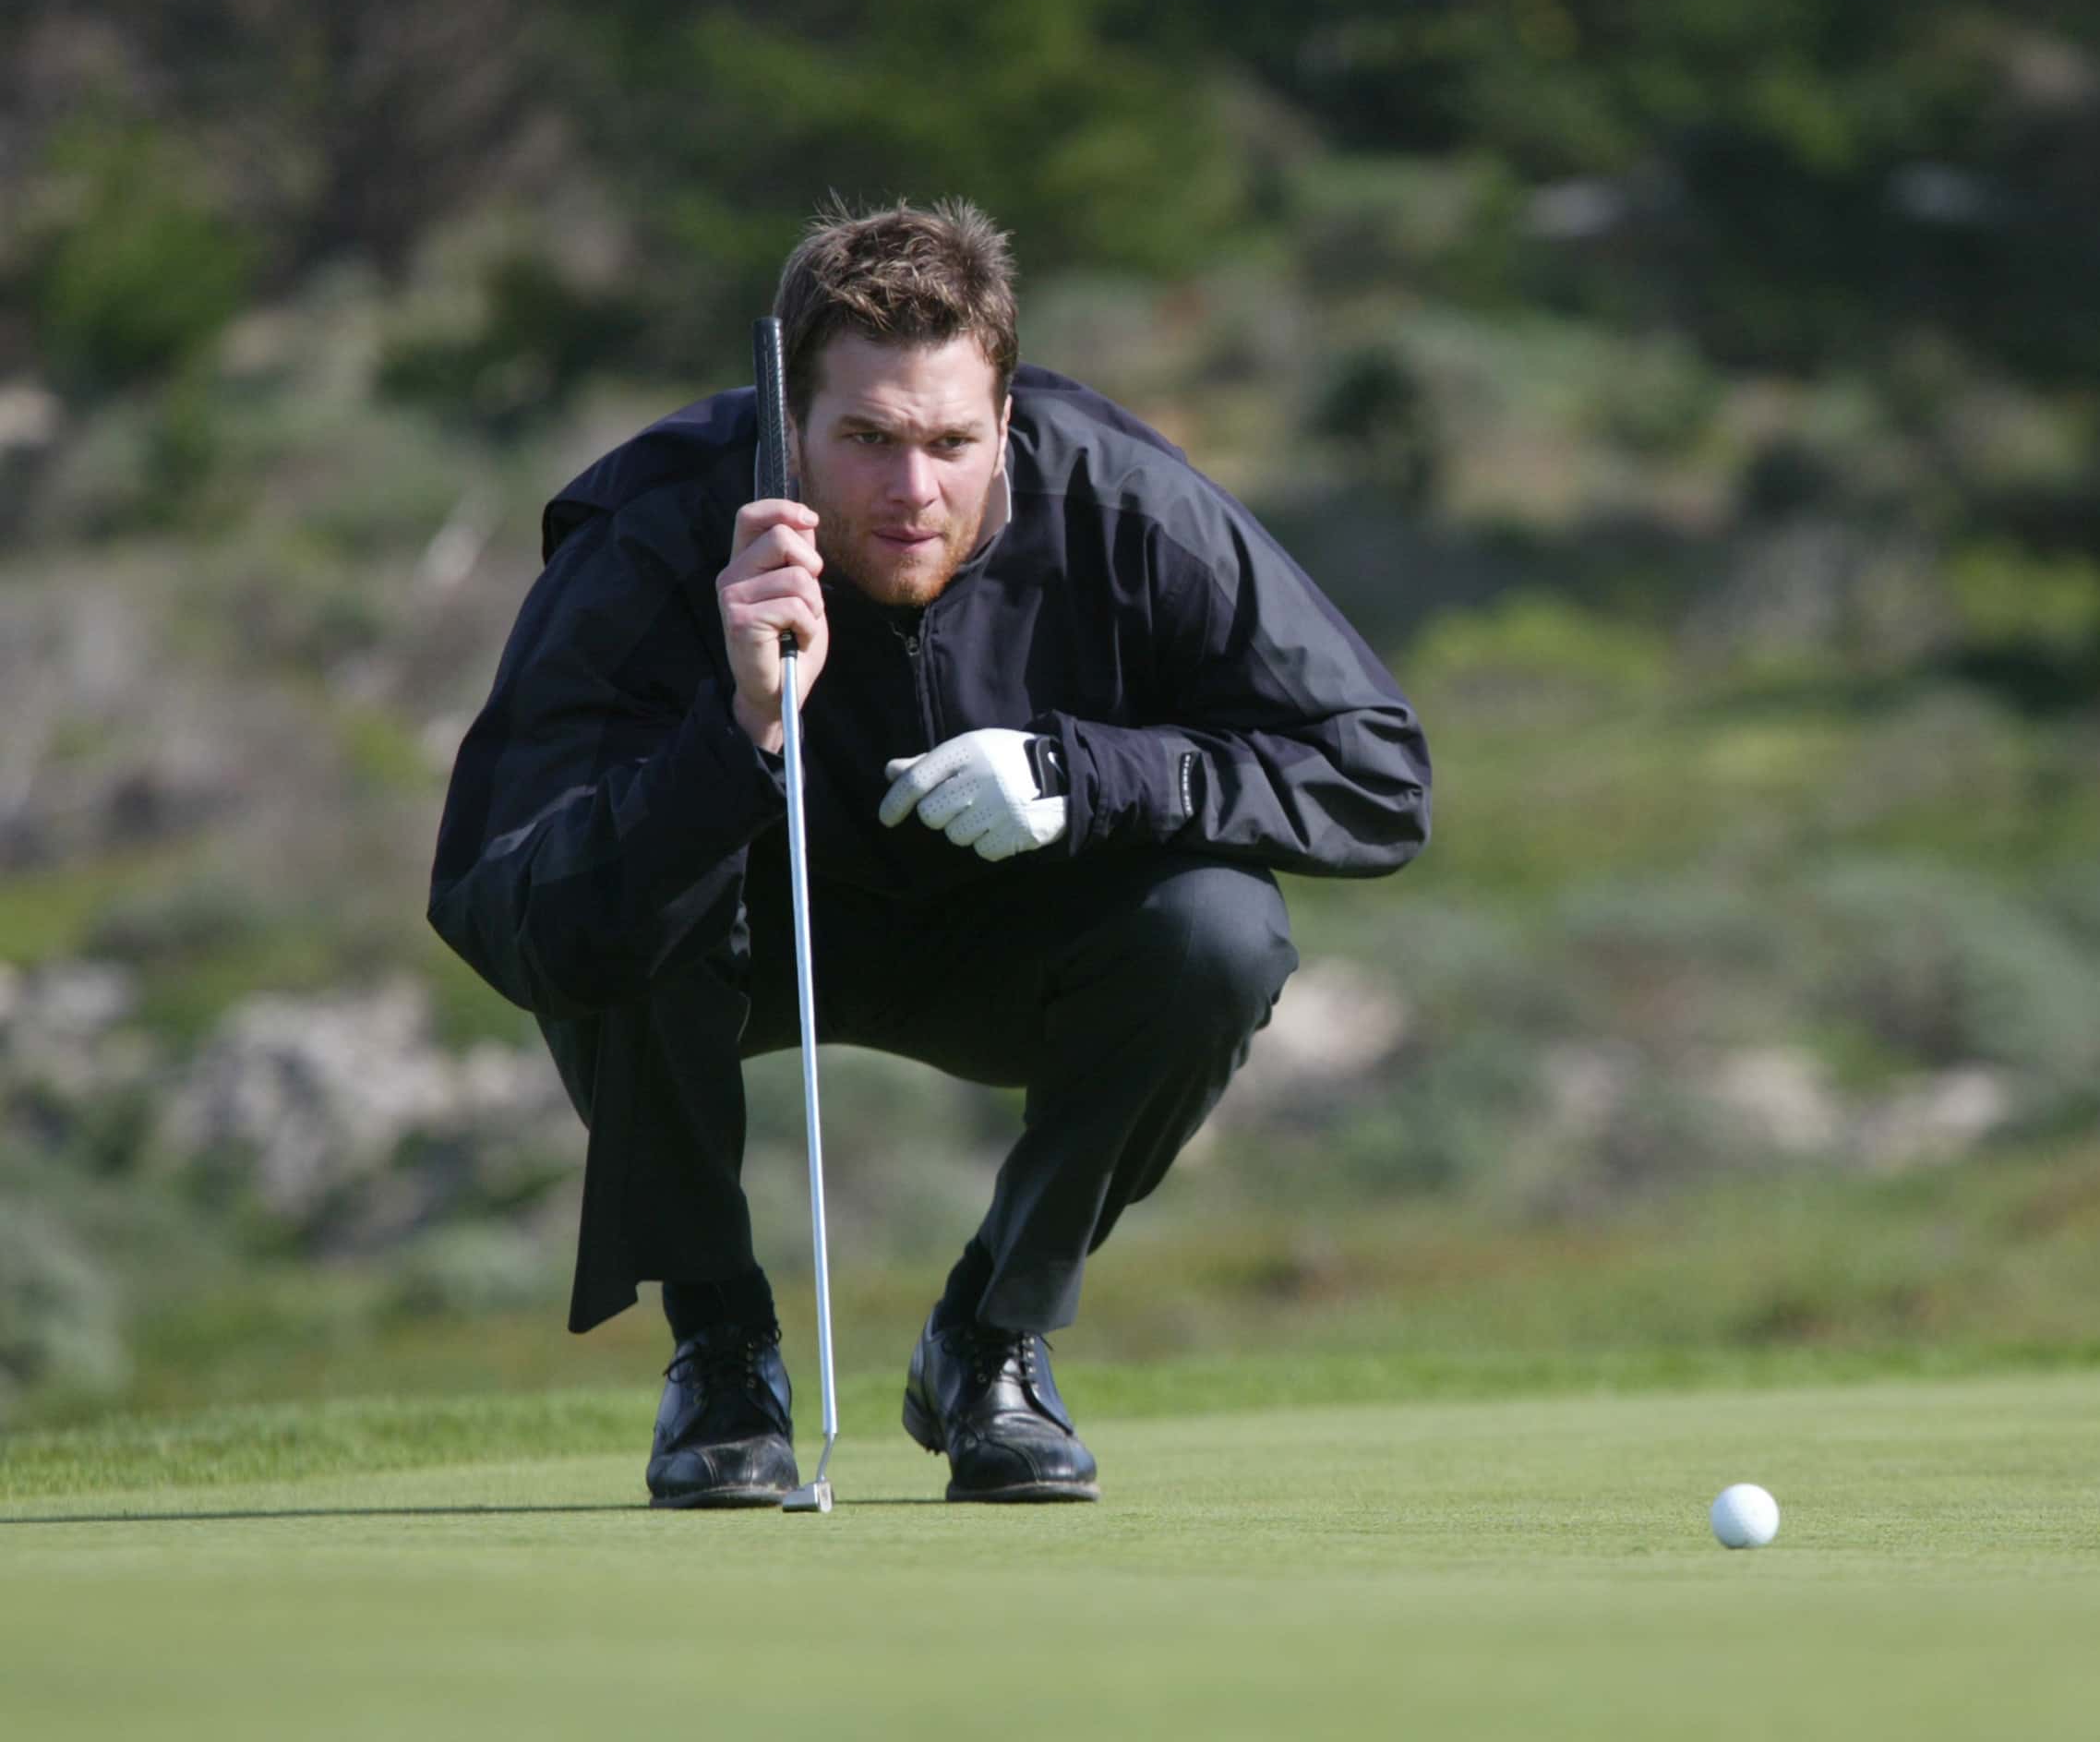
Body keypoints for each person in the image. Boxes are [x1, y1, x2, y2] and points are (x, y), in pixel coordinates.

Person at [427, 198, 1432, 1507]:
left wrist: (1093, 774)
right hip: (745, 938)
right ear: (786, 424)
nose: (915, 492)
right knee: (624, 894)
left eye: (955, 442)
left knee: (1220, 930)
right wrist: (724, 741)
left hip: (1017, 939)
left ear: (1009, 417)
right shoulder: (658, 527)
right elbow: (507, 897)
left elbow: (1379, 769)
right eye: (867, 441)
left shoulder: (1125, 504)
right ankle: (722, 1355)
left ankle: (989, 1339)